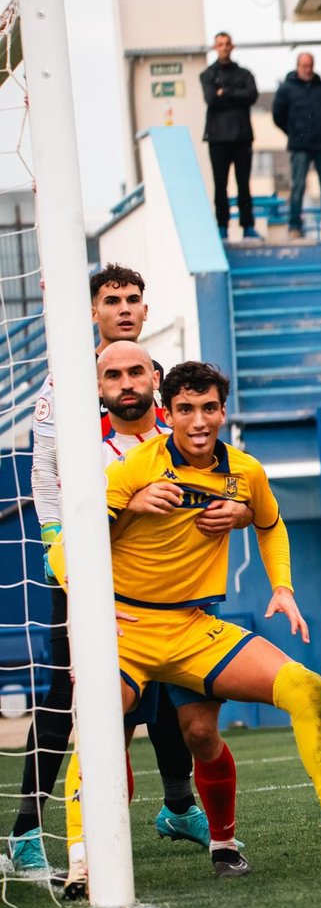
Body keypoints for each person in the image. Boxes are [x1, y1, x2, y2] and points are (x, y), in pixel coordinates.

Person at [60, 362, 321, 895]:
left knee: (301, 689)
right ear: (166, 411)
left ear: (223, 411)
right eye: (185, 409)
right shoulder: (130, 469)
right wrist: (92, 609)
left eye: (209, 408)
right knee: (99, 725)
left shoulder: (246, 471)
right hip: (125, 629)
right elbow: (68, 549)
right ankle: (83, 865)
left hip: (194, 625)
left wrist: (283, 588)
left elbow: (270, 523)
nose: (198, 420)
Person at [9, 268, 234, 877]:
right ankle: (27, 829)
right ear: (92, 311)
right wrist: (63, 546)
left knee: (163, 676)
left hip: (155, 565)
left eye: (135, 299)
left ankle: (179, 803)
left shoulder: (152, 377)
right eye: (113, 301)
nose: (126, 309)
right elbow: (44, 472)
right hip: (85, 558)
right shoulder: (70, 384)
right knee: (69, 691)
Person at [272, 53, 321, 241]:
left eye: (310, 65)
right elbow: (277, 116)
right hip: (299, 145)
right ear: (297, 66)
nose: (307, 69)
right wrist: (294, 132)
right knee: (298, 186)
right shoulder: (286, 90)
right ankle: (294, 226)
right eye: (304, 66)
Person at [199, 32, 259, 239]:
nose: (224, 48)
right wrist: (235, 94)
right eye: (220, 44)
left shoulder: (245, 74)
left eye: (227, 44)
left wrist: (225, 92)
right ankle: (222, 226)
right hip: (217, 139)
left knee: (244, 184)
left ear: (232, 47)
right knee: (220, 185)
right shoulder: (207, 75)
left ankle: (248, 226)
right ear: (215, 48)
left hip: (242, 137)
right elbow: (211, 99)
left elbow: (251, 96)